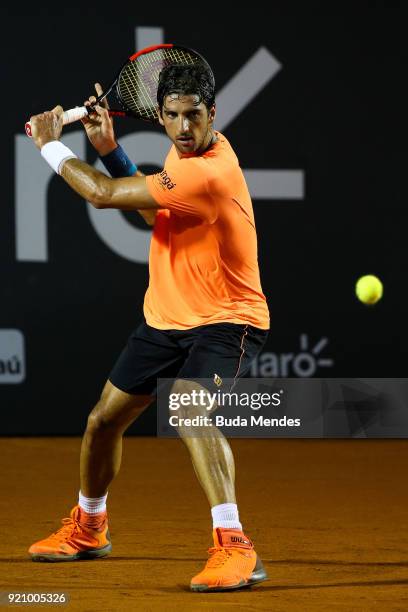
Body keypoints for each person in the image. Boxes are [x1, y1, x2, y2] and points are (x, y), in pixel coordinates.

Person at [27, 62, 270, 592]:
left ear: (213, 114)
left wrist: (50, 145)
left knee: (186, 406)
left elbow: (102, 195)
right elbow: (155, 214)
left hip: (226, 318)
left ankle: (235, 545)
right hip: (166, 316)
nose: (184, 129)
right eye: (173, 116)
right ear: (161, 115)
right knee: (102, 422)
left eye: (194, 117)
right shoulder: (182, 155)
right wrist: (110, 149)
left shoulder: (206, 168)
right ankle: (89, 526)